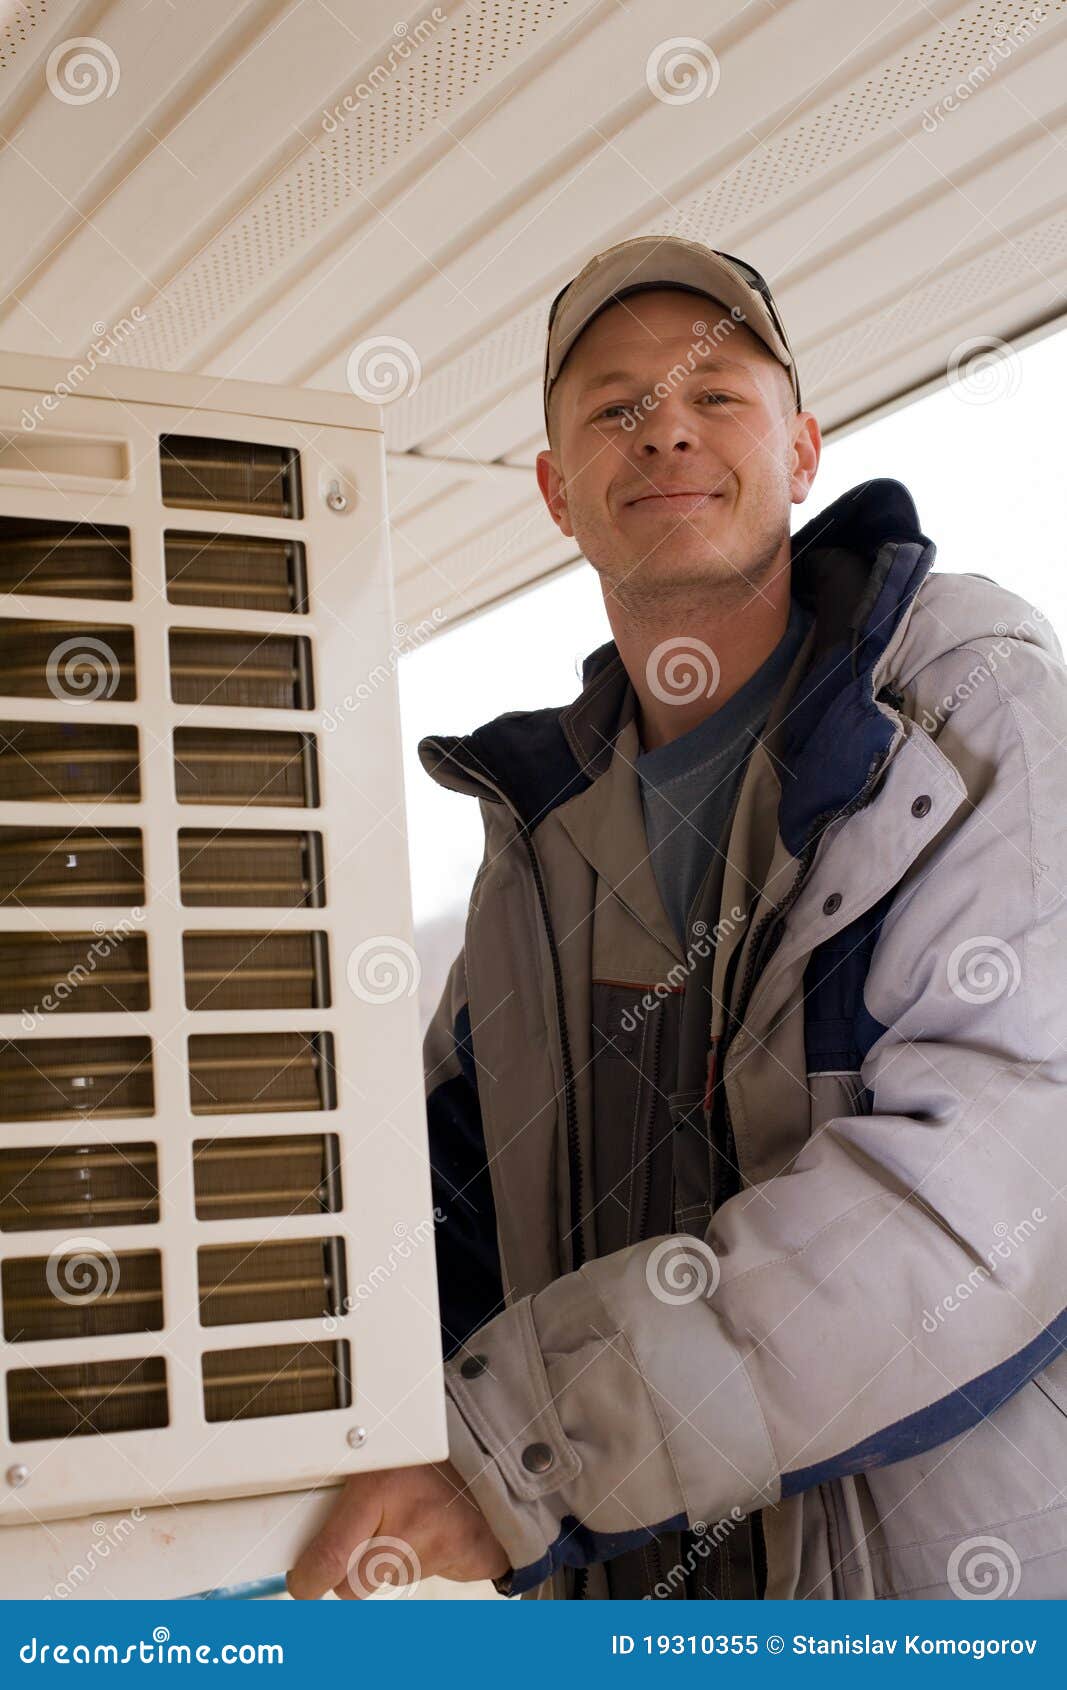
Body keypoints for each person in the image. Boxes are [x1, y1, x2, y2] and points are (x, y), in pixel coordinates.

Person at [289, 236, 1067, 1602]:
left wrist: (524, 1456)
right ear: (556, 491)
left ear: (805, 446)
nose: (668, 433)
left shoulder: (970, 714)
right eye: (616, 406)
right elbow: (439, 1218)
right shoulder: (539, 845)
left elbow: (989, 1188)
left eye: (718, 396)